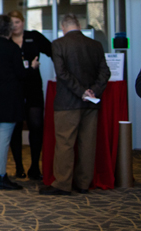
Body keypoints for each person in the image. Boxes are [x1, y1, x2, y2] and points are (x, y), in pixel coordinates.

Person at [40, 14, 110, 196]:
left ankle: (62, 184)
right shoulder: (96, 45)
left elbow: (62, 74)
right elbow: (105, 73)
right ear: (79, 25)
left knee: (65, 143)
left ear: (63, 27)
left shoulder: (58, 44)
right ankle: (83, 184)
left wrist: (81, 92)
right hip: (91, 104)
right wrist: (92, 91)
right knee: (87, 144)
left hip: (67, 103)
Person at [7, 10, 53, 180]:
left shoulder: (34, 37)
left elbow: (53, 51)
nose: (14, 26)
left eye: (17, 22)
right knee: (16, 128)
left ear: (23, 22)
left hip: (33, 87)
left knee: (36, 126)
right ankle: (19, 167)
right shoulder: (6, 40)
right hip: (15, 90)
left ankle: (35, 166)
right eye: (11, 23)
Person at [0, 14, 27, 191]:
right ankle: (0, 176)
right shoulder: (13, 49)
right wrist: (30, 68)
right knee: (4, 137)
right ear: (8, 29)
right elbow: (20, 74)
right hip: (9, 97)